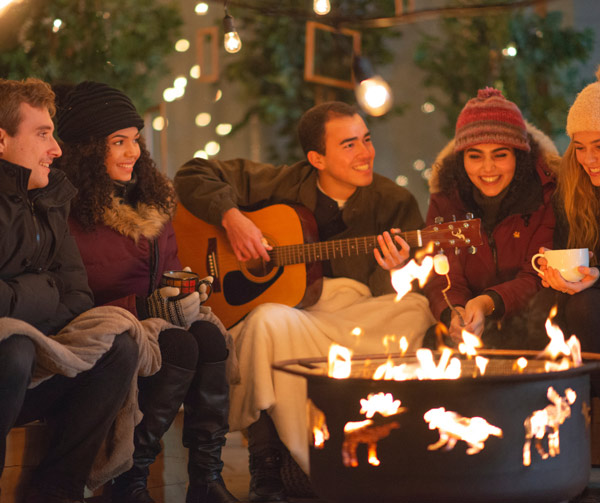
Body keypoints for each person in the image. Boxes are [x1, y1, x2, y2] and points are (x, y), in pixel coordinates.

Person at [174, 101, 434, 502]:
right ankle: (266, 461)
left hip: (354, 314)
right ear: (317, 158)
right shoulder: (280, 183)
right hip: (293, 315)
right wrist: (232, 217)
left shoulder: (393, 201)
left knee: (415, 310)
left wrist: (397, 270)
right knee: (263, 322)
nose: (366, 153)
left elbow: (404, 288)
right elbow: (193, 173)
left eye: (366, 139)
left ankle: (362, 445)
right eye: (349, 145)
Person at [54, 81, 238, 503]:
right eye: (118, 142)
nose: (133, 152)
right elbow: (72, 301)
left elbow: (164, 274)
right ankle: (129, 482)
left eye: (135, 140)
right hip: (102, 330)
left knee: (209, 336)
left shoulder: (151, 199)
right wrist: (146, 306)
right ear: (86, 148)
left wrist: (187, 289)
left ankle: (207, 478)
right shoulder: (66, 210)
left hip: (151, 319)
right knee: (180, 346)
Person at [0, 78, 139, 503]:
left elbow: (78, 299)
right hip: (9, 366)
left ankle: (57, 489)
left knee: (120, 344)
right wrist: (45, 290)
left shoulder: (50, 199)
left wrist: (25, 293)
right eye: (42, 134)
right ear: (1, 140)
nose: (56, 148)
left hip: (32, 375)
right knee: (15, 347)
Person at [423, 87, 559, 349]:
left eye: (500, 155)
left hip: (531, 320)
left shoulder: (545, 195)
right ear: (461, 158)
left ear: (519, 157)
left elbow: (536, 275)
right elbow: (443, 276)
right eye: (475, 156)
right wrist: (455, 312)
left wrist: (487, 303)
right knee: (434, 343)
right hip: (472, 320)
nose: (488, 168)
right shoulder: (446, 199)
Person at [532, 66, 600, 356]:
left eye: (599, 146)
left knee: (585, 307)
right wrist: (554, 272)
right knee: (546, 305)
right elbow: (567, 249)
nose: (588, 159)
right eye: (580, 147)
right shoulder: (573, 191)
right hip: (586, 297)